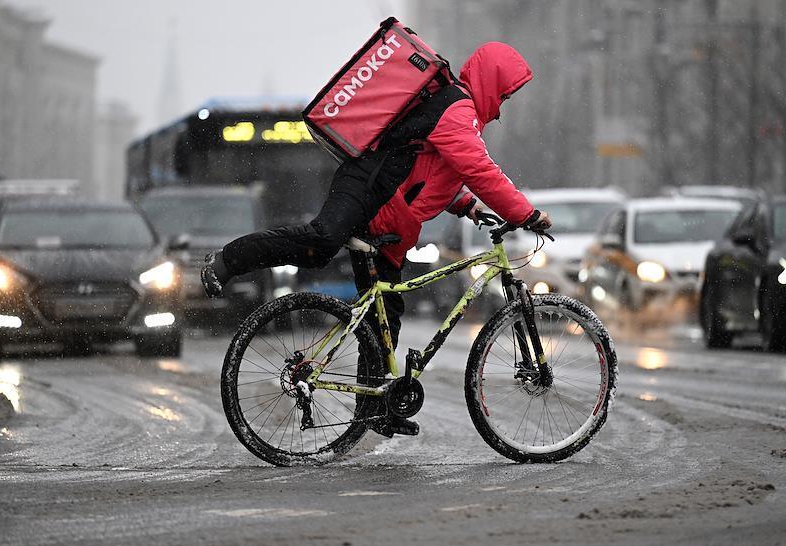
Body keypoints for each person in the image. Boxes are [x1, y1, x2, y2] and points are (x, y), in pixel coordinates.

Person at [202, 42, 552, 435]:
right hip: (366, 188)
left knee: (385, 311)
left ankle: (374, 409)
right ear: (490, 82)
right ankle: (227, 260)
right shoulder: (456, 110)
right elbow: (480, 169)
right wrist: (526, 213)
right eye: (504, 93)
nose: (502, 105)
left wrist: (465, 206)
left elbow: (433, 172)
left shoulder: (457, 115)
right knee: (321, 242)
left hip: (389, 214)